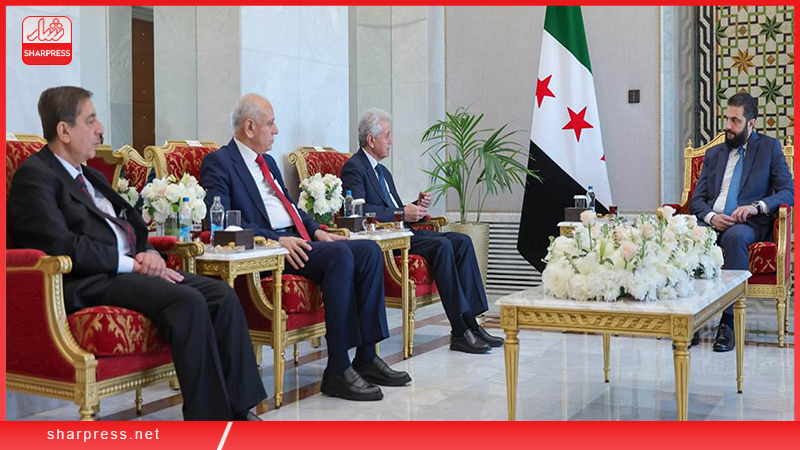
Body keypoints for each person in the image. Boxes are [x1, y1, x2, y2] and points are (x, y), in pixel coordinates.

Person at [9, 86, 266, 421]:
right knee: (187, 301)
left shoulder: (89, 175)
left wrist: (147, 252)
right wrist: (132, 263)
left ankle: (239, 410)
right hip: (89, 280)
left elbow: (132, 224)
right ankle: (209, 423)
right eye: (91, 120)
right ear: (64, 130)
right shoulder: (36, 176)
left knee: (221, 295)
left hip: (128, 270)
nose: (101, 128)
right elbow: (62, 246)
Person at [200, 94, 410, 401]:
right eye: (271, 124)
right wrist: (275, 240)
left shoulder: (268, 163)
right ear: (249, 127)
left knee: (366, 250)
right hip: (270, 249)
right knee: (340, 256)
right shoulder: (220, 163)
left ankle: (366, 357)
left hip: (299, 239)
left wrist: (317, 230)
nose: (276, 130)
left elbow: (291, 207)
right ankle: (338, 368)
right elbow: (219, 220)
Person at [341, 108, 504, 354]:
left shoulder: (383, 171)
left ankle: (472, 323)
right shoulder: (354, 167)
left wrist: (415, 207)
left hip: (406, 232)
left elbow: (392, 207)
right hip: (389, 241)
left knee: (462, 241)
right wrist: (402, 213)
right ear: (371, 139)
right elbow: (360, 210)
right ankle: (459, 330)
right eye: (387, 135)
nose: (391, 141)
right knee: (443, 245)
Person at [690, 92, 793, 352]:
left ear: (751, 123)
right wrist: (712, 217)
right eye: (727, 119)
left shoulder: (769, 148)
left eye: (735, 121)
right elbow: (697, 200)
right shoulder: (714, 154)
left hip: (746, 224)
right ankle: (690, 319)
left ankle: (728, 323)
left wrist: (756, 207)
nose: (728, 126)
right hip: (711, 222)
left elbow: (788, 192)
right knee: (690, 236)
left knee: (735, 237)